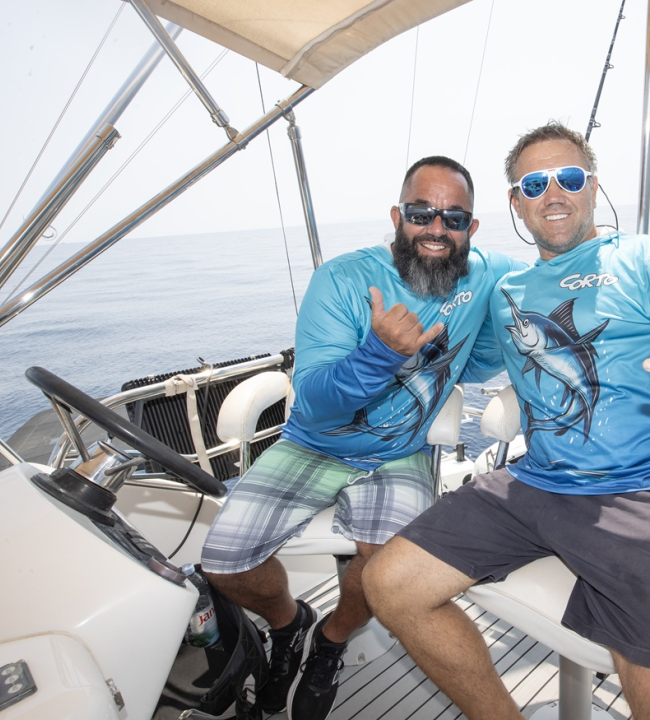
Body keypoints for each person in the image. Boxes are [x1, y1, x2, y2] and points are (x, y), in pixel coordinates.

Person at [363, 123, 650, 720]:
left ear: (593, 187)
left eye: (569, 177)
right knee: (388, 585)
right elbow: (470, 357)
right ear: (515, 202)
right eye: (534, 183)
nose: (553, 193)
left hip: (646, 491)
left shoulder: (646, 258)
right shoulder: (507, 290)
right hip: (536, 483)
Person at [200, 155, 522, 720]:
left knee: (386, 574)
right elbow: (318, 399)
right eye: (422, 213)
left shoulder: (488, 275)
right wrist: (380, 354)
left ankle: (330, 638)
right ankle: (287, 624)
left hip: (401, 455)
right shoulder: (343, 280)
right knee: (224, 566)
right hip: (313, 443)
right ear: (399, 216)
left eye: (453, 218)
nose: (436, 230)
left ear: (472, 229)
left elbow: (483, 354)